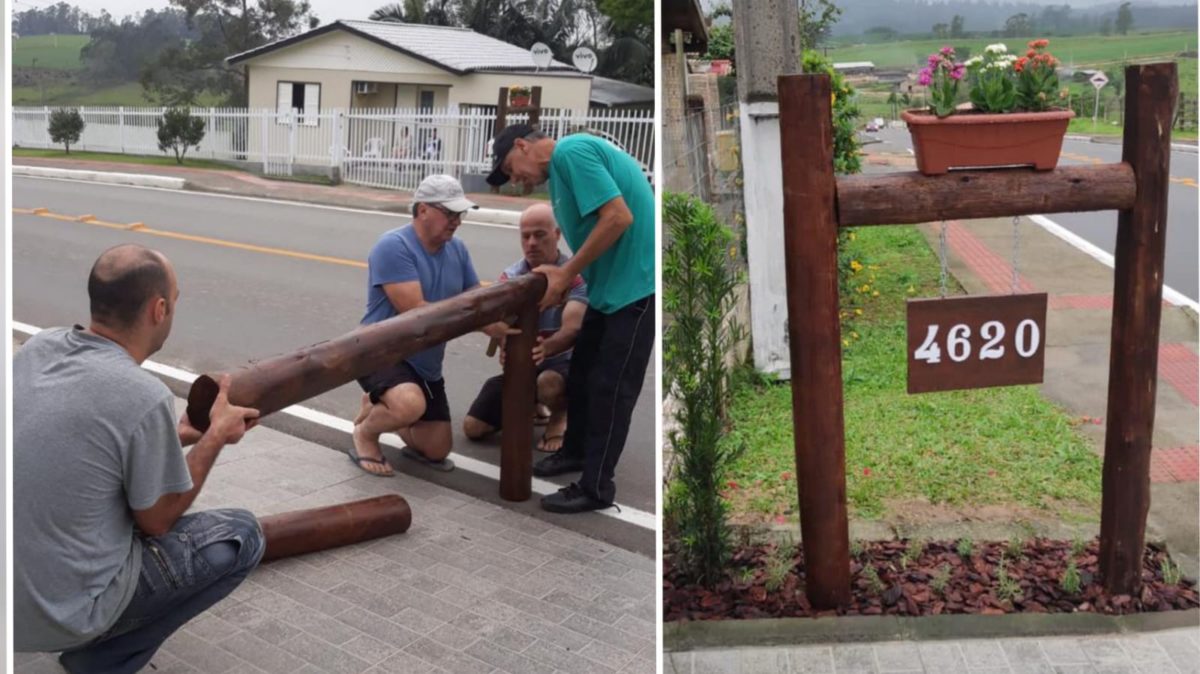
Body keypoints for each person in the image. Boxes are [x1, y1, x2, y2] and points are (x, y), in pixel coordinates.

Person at [13, 244, 263, 674]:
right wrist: (214, 438)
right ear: (159, 308)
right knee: (242, 535)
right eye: (177, 299)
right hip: (57, 617)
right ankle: (102, 659)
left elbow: (91, 447)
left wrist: (180, 435)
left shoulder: (39, 348)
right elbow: (157, 520)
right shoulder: (142, 395)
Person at [487, 125, 655, 513]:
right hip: (608, 292)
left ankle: (597, 488)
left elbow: (617, 218)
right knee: (581, 378)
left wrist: (566, 273)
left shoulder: (573, 152)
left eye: (511, 169)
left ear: (522, 145)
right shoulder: (562, 172)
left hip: (635, 291)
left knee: (611, 391)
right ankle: (576, 452)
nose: (516, 181)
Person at [352, 174, 513, 476]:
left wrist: (500, 329)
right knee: (410, 405)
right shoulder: (393, 246)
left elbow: (475, 298)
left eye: (459, 214)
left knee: (437, 449)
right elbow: (418, 314)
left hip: (425, 363)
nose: (456, 221)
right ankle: (366, 432)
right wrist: (482, 325)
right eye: (449, 213)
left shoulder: (457, 249)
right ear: (423, 210)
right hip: (381, 351)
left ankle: (383, 405)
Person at [463, 202, 588, 453]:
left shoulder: (574, 275)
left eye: (540, 235)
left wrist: (548, 348)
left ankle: (559, 415)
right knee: (473, 428)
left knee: (549, 382)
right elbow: (499, 322)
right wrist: (503, 343)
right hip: (524, 366)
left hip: (562, 366)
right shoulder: (510, 278)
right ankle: (535, 406)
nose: (531, 243)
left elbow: (573, 327)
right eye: (525, 236)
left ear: (557, 235)